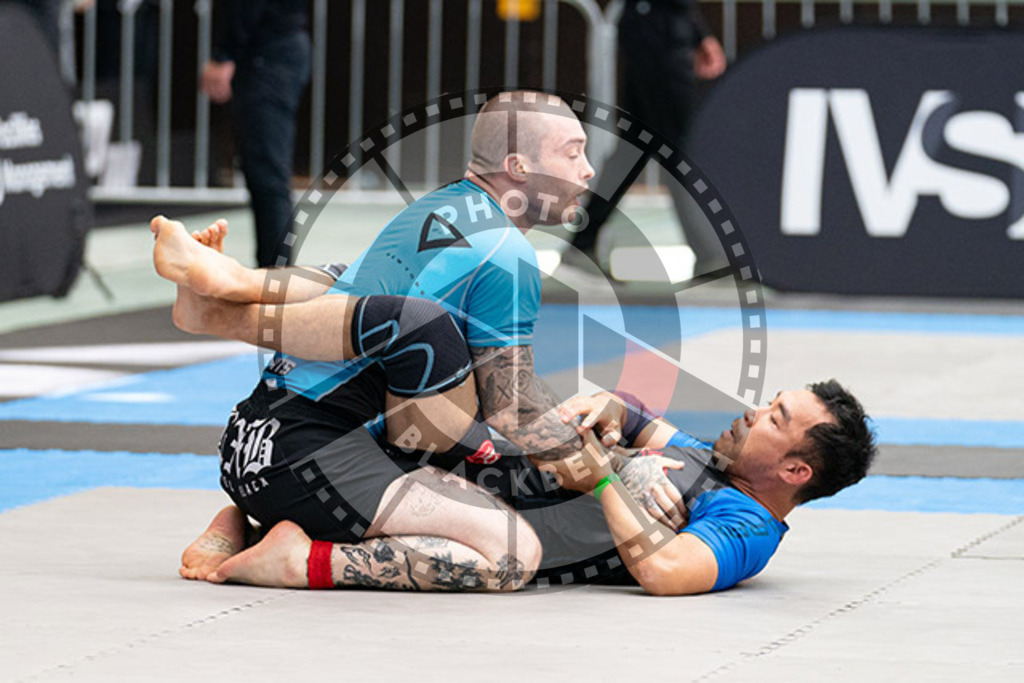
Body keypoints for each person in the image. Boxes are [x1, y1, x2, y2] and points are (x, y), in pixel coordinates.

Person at [562, 0, 728, 278]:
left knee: (634, 149)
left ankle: (583, 243)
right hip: (658, 38)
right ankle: (709, 254)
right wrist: (697, 32)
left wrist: (698, 32)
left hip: (656, 32)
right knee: (678, 150)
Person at [200, 0, 311, 267]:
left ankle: (274, 281)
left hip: (269, 50)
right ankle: (273, 277)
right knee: (265, 173)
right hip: (275, 47)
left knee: (267, 175)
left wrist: (224, 53)